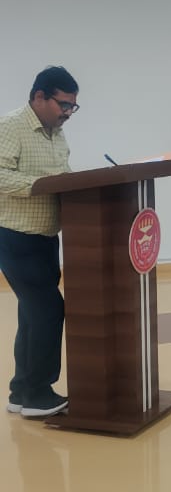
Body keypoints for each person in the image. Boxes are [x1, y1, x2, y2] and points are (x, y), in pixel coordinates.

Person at [0, 66, 79, 417]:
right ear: (39, 97)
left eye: (73, 107)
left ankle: (20, 391)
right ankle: (37, 394)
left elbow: (63, 175)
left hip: (46, 237)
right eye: (63, 104)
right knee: (48, 310)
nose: (68, 113)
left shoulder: (57, 134)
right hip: (15, 236)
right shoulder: (11, 126)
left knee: (32, 314)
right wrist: (41, 185)